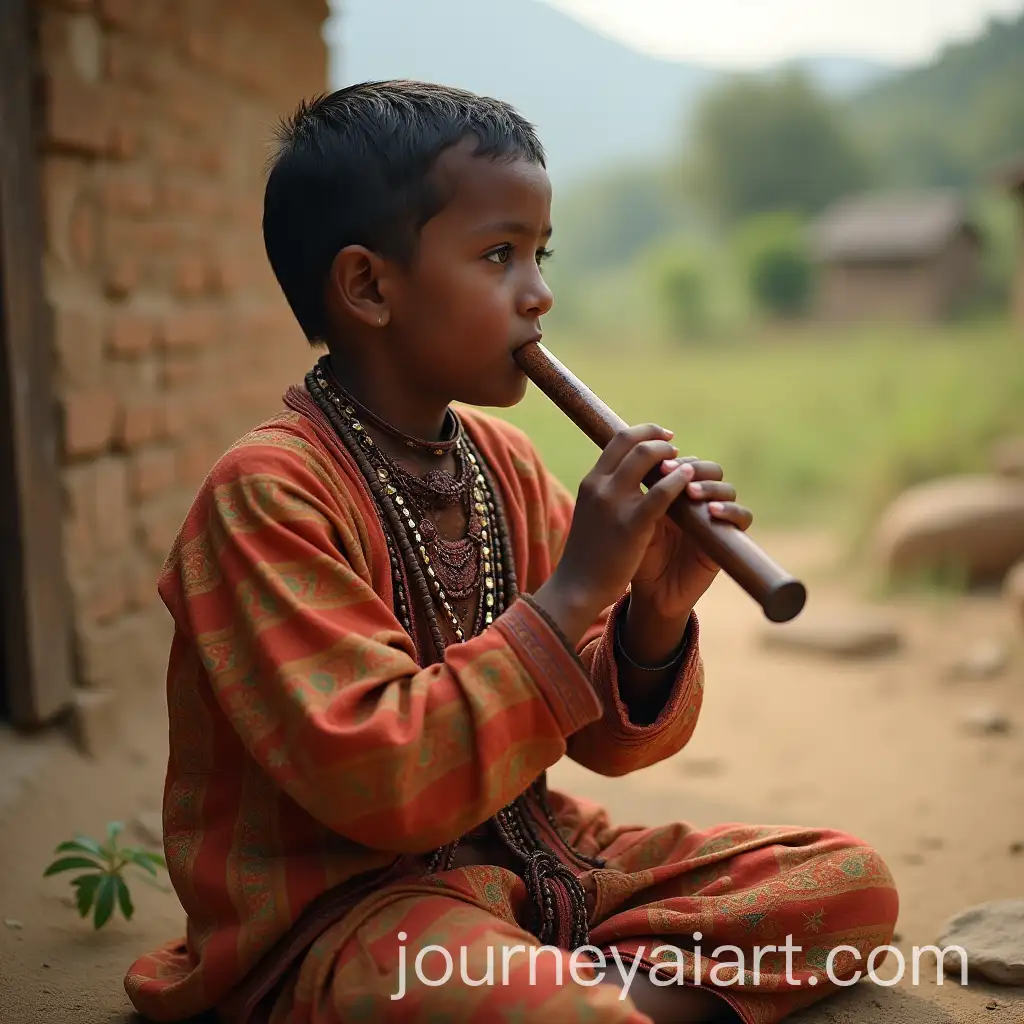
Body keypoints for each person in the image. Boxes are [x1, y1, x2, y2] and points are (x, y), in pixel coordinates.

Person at [124, 81, 898, 1024]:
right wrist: (576, 589)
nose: (540, 293)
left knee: (848, 883)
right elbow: (383, 784)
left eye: (540, 252)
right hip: (349, 910)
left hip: (536, 864)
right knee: (497, 992)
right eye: (499, 256)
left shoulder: (506, 464)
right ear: (370, 286)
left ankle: (572, 997)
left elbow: (602, 745)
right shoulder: (268, 494)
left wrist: (652, 611)